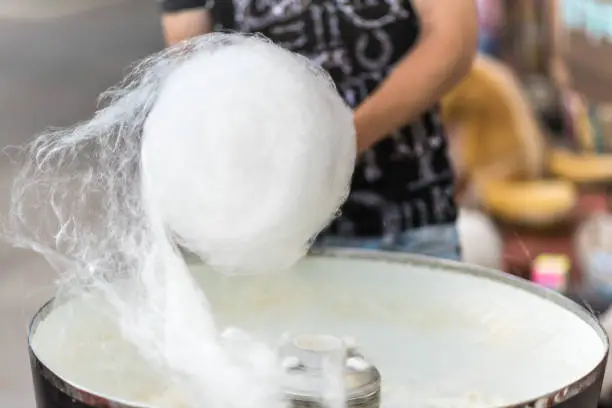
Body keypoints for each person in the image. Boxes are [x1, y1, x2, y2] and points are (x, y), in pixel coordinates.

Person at [158, 0, 478, 261]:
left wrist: (339, 145)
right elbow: (193, 72)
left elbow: (453, 42)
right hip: (276, 245)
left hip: (410, 225)